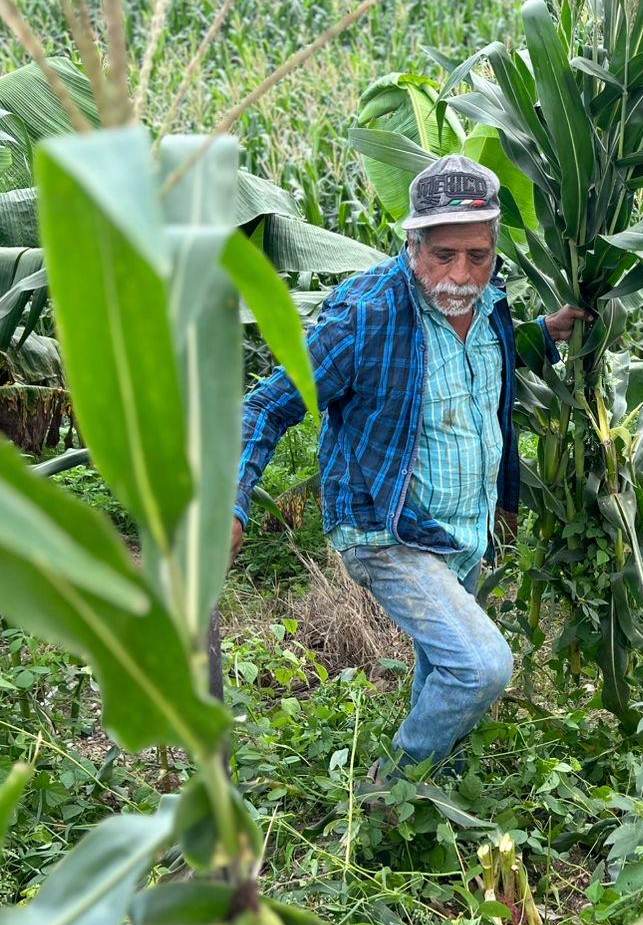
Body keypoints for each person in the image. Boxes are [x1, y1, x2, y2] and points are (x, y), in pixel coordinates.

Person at [231, 154, 587, 777]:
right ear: (413, 242)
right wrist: (230, 501)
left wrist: (543, 333)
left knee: (443, 666)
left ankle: (430, 798)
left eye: (477, 255)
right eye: (443, 255)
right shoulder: (366, 317)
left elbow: (491, 361)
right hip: (387, 524)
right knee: (480, 667)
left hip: (463, 526)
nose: (461, 273)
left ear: (494, 246)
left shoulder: (491, 305)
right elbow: (267, 405)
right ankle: (390, 789)